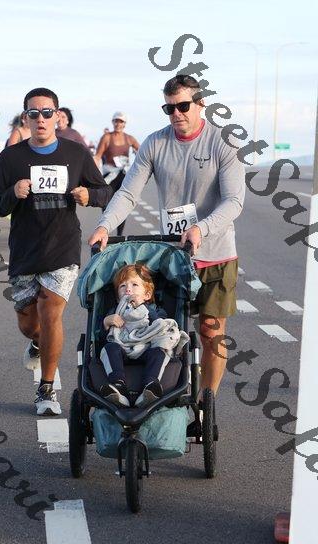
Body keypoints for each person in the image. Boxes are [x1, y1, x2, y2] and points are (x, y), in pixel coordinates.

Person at [89, 74, 245, 400]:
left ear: (201, 104)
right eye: (169, 108)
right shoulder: (155, 143)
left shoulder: (222, 142)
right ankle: (164, 392)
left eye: (183, 106)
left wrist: (201, 228)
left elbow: (234, 201)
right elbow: (128, 193)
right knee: (163, 329)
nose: (176, 114)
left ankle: (205, 401)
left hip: (215, 252)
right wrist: (104, 226)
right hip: (173, 255)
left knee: (211, 332)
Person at [0, 87, 112, 416]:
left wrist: (89, 195)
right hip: (25, 250)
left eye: (47, 113)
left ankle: (46, 389)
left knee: (51, 312)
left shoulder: (76, 153)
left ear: (58, 116)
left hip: (62, 248)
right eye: (34, 113)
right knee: (29, 324)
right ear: (26, 118)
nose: (41, 119)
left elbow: (105, 191)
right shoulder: (11, 158)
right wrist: (13, 193)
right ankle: (36, 342)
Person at [100, 264, 186, 408]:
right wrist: (106, 322)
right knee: (109, 348)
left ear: (147, 295)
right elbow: (104, 338)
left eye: (134, 285)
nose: (128, 289)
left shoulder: (154, 310)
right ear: (117, 297)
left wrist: (142, 308)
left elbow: (160, 326)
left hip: (147, 348)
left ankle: (150, 386)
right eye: (122, 286)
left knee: (160, 351)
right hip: (122, 349)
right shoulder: (115, 311)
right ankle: (118, 385)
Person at [93, 111, 140, 236]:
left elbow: (142, 152)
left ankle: (119, 234)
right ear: (113, 122)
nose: (118, 124)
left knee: (122, 204)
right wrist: (94, 174)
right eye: (116, 121)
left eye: (121, 122)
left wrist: (137, 155)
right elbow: (98, 156)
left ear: (124, 124)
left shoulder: (129, 138)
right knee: (106, 204)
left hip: (123, 175)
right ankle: (104, 231)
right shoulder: (107, 137)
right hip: (109, 175)